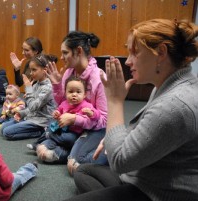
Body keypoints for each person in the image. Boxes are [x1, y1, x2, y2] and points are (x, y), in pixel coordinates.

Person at [66, 19, 198, 201]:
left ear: (161, 53)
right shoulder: (169, 85)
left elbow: (120, 161)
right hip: (142, 177)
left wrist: (115, 101)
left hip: (157, 193)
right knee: (84, 171)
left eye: (134, 53)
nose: (128, 61)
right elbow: (145, 126)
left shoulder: (175, 104)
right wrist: (115, 136)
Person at [30, 31, 108, 174]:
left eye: (65, 53)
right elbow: (62, 104)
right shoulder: (69, 73)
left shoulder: (99, 78)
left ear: (78, 51)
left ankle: (105, 151)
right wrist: (56, 85)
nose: (61, 57)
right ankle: (72, 149)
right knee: (43, 151)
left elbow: (104, 120)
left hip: (94, 128)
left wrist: (75, 119)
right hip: (72, 129)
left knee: (76, 165)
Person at [36, 76, 100, 163]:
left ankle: (49, 136)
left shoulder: (86, 105)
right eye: (70, 91)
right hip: (61, 130)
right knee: (48, 138)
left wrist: (91, 113)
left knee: (68, 138)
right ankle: (40, 145)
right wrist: (56, 114)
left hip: (73, 133)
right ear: (65, 93)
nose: (74, 94)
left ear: (84, 94)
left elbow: (97, 115)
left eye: (78, 92)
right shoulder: (64, 103)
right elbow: (59, 110)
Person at [0, 54, 56, 140]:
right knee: (3, 127)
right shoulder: (37, 84)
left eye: (34, 70)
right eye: (30, 70)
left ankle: (40, 132)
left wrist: (29, 88)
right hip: (31, 117)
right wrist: (21, 113)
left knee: (7, 133)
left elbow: (33, 107)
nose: (31, 73)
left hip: (41, 122)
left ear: (44, 70)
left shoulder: (48, 88)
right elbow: (30, 107)